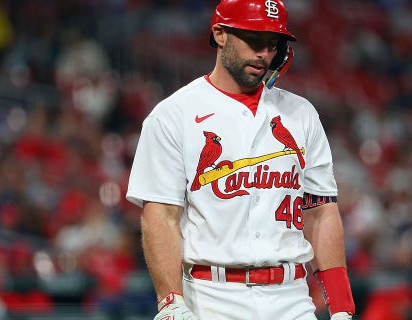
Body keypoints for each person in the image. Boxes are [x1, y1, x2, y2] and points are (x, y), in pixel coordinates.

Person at [125, 0, 355, 319]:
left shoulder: (301, 114)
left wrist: (341, 306)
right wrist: (170, 301)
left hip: (291, 297)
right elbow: (161, 215)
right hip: (211, 297)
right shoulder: (173, 115)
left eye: (272, 43)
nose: (264, 53)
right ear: (220, 34)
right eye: (254, 40)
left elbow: (321, 211)